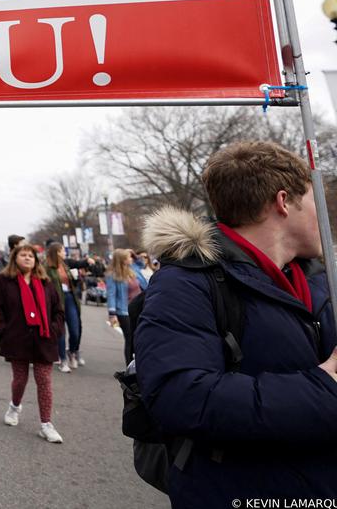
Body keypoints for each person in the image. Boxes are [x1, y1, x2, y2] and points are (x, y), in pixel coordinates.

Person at [135, 141, 337, 504]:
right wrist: (323, 387)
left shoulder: (319, 277)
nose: (324, 214)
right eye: (314, 200)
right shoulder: (186, 282)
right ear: (283, 202)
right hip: (239, 490)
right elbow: (180, 397)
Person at [0, 242, 65, 443]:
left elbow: (59, 311)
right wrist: (3, 330)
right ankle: (14, 406)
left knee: (44, 381)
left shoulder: (45, 282)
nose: (27, 258)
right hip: (17, 339)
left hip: (44, 339)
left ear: (36, 260)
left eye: (31, 256)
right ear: (15, 258)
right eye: (23, 255)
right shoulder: (4, 281)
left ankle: (46, 424)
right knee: (20, 379)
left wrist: (54, 330)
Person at [43, 240, 89, 372]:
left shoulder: (65, 264)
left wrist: (75, 279)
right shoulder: (47, 267)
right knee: (60, 331)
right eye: (63, 250)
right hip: (56, 301)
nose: (65, 252)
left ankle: (72, 351)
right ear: (56, 252)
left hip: (70, 298)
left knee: (75, 329)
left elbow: (72, 281)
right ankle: (62, 360)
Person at [106, 248, 146, 362]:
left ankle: (138, 362)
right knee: (130, 339)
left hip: (138, 309)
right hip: (124, 311)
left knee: (138, 337)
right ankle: (130, 366)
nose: (131, 259)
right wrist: (112, 314)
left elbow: (141, 263)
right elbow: (111, 294)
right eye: (129, 257)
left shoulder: (132, 270)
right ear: (123, 260)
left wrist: (134, 254)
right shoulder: (113, 275)